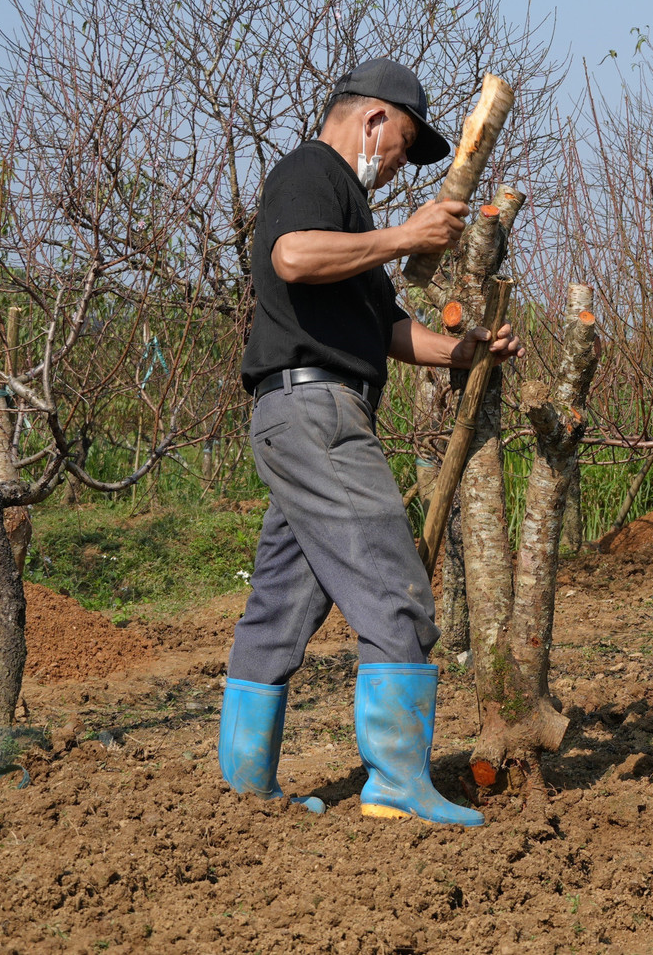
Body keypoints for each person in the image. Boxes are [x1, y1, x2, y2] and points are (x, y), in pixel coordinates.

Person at [218, 57, 521, 827]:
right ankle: (396, 782)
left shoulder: (351, 214)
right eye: (400, 144)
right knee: (395, 585)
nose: (394, 165)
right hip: (315, 410)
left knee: (281, 602)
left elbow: (386, 331)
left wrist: (469, 350)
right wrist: (405, 233)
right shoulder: (312, 172)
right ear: (374, 119)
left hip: (301, 416)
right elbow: (290, 255)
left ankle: (245, 785)